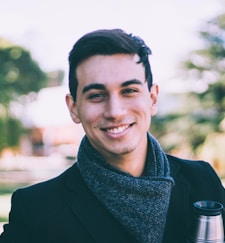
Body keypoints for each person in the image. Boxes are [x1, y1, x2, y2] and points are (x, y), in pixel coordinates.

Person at [0, 29, 225, 243]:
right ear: (74, 108)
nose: (115, 111)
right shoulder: (36, 209)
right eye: (97, 95)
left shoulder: (202, 181)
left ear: (153, 99)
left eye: (129, 91)